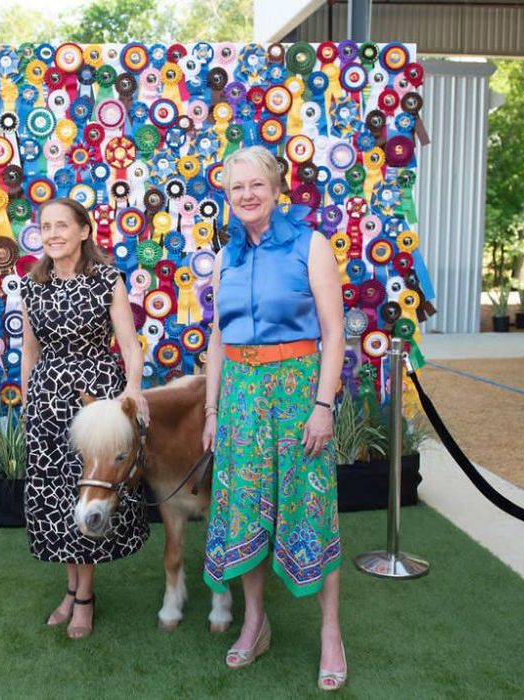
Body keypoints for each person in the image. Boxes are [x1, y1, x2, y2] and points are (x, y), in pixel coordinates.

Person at [201, 146, 347, 689]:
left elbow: (333, 334)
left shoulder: (311, 246)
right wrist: (213, 409)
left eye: (256, 185)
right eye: (236, 187)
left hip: (296, 394)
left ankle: (331, 633)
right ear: (228, 194)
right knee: (244, 511)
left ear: (277, 187)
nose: (246, 195)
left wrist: (323, 406)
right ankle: (255, 622)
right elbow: (217, 336)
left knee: (311, 507)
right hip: (239, 397)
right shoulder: (225, 256)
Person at [20, 197, 149, 639]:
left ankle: (85, 597)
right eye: (46, 227)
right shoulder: (31, 286)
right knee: (56, 500)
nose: (53, 234)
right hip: (46, 402)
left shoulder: (106, 279)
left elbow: (130, 346)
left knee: (88, 493)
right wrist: (26, 403)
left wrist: (132, 388)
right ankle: (71, 588)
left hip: (94, 399)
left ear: (84, 231)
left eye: (62, 226)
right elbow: (30, 352)